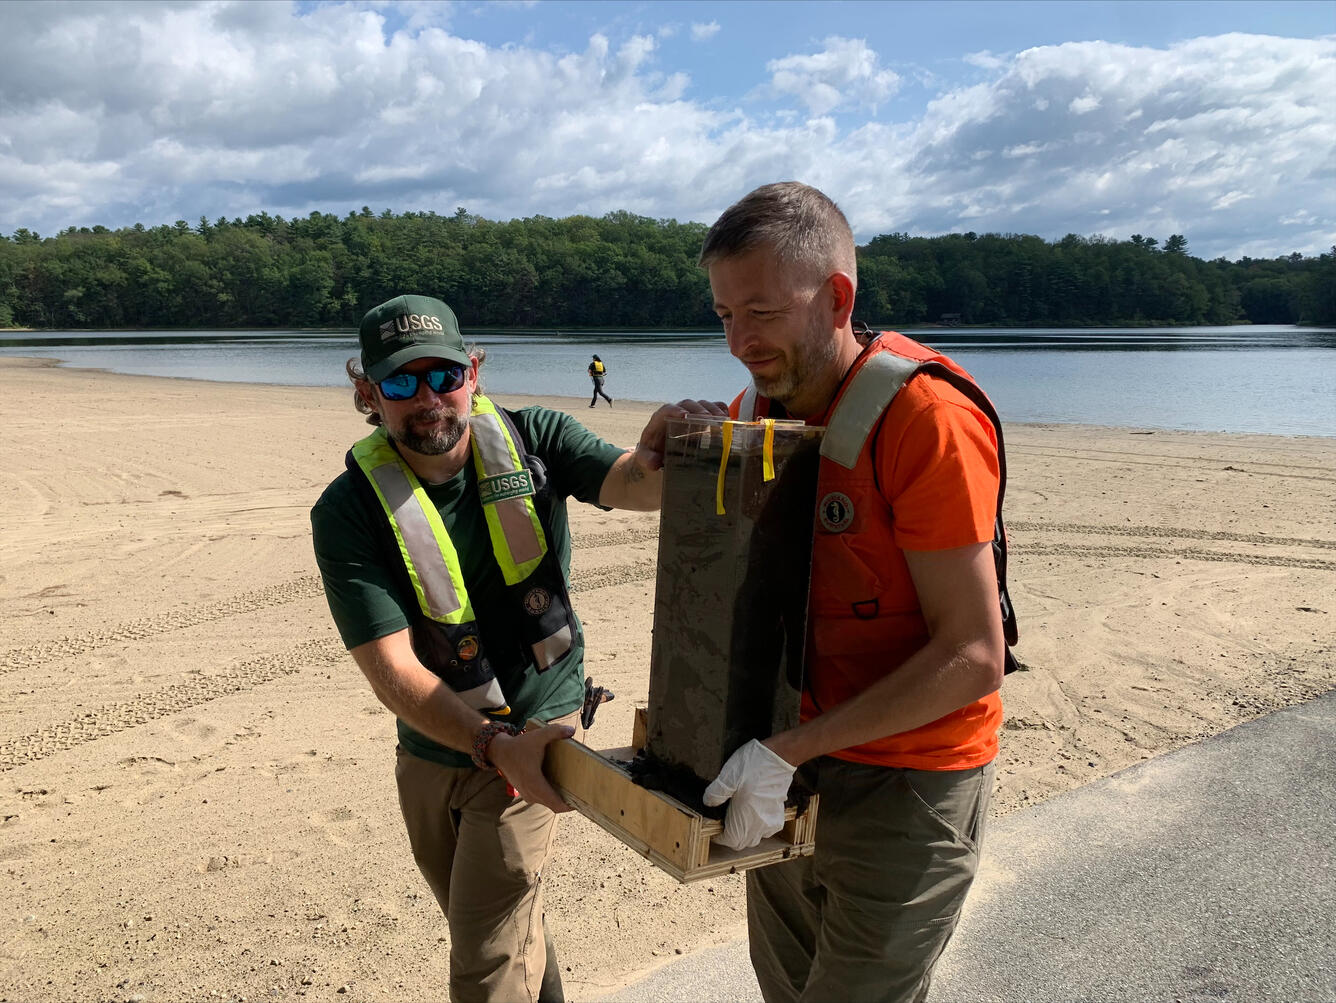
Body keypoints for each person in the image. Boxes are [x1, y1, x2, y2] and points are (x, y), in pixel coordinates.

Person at [310, 294, 719, 1003]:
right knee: (501, 926)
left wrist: (670, 451)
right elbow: (393, 669)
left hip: (537, 734)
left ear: (474, 371)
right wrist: (485, 744)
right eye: (401, 383)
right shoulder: (347, 511)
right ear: (367, 394)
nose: (428, 398)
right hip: (434, 748)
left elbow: (632, 481)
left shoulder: (539, 440)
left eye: (442, 375)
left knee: (485, 957)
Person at [681, 183, 1008, 1003]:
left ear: (836, 297)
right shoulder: (758, 407)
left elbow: (973, 655)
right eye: (723, 315)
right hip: (791, 768)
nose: (738, 341)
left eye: (758, 312)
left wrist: (786, 750)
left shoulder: (924, 418)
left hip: (909, 782)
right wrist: (676, 447)